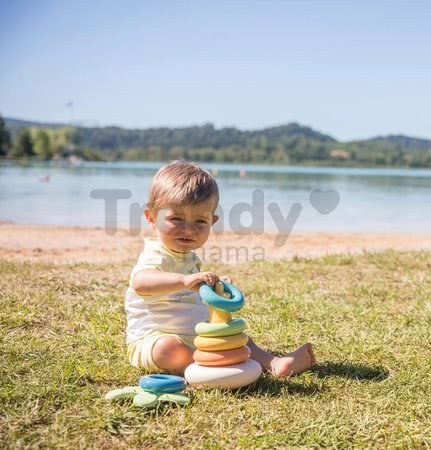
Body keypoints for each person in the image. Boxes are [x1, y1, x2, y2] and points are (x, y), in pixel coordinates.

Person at [125, 161, 316, 376]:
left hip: (195, 335)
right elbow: (141, 282)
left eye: (200, 221)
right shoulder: (156, 254)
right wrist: (184, 280)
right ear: (151, 217)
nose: (188, 229)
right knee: (167, 349)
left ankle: (274, 363)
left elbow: (192, 296)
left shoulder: (189, 257)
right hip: (153, 340)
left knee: (239, 338)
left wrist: (215, 288)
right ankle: (210, 369)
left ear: (212, 222)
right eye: (175, 218)